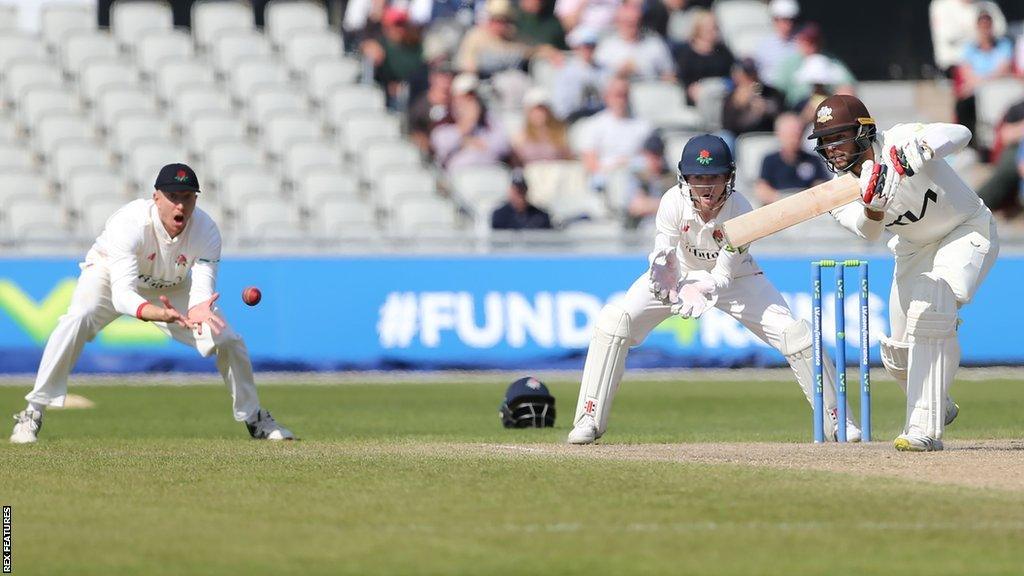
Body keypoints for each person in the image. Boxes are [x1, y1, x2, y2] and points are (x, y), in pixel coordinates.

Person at [567, 134, 861, 445]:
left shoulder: (741, 207)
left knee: (796, 334)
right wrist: (663, 274)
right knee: (614, 324)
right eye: (698, 178)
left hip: (736, 278)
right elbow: (664, 252)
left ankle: (838, 422)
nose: (706, 187)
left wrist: (712, 283)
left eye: (714, 177)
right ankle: (589, 417)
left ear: (729, 178)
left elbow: (724, 271)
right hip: (679, 275)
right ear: (685, 178)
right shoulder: (671, 202)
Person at [10, 164, 294, 444]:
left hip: (173, 288)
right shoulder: (129, 223)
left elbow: (201, 290)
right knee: (77, 317)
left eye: (187, 197)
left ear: (196, 199)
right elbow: (123, 295)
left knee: (229, 339)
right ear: (156, 197)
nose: (179, 206)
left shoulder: (207, 231)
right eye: (173, 197)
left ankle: (254, 418)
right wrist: (156, 313)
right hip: (109, 277)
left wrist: (198, 309)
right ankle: (32, 412)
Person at [809, 94, 998, 451]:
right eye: (826, 141)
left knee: (932, 306)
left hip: (966, 228)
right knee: (897, 353)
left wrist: (924, 147)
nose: (832, 149)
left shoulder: (900, 139)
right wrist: (873, 208)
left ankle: (922, 429)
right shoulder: (838, 191)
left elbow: (960, 133)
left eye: (839, 138)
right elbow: (868, 232)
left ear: (863, 133)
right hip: (913, 250)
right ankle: (939, 405)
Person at [580, 75, 652, 191]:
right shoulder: (593, 125)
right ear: (606, 96)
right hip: (605, 180)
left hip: (637, 178)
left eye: (624, 95)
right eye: (617, 95)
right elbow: (590, 163)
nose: (621, 100)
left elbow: (651, 160)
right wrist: (616, 166)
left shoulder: (643, 125)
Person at [953, 11, 1013, 149]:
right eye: (982, 26)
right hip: (977, 90)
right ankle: (969, 145)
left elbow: (1004, 70)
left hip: (998, 89)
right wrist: (981, 83)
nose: (985, 30)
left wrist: (981, 82)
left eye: (988, 25)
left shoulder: (1004, 45)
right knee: (964, 104)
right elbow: (966, 72)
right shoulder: (969, 48)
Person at [430, 73, 511, 171]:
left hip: (488, 171)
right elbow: (441, 144)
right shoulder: (445, 117)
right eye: (465, 96)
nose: (469, 100)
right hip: (456, 176)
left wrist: (474, 143)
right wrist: (467, 123)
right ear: (454, 98)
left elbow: (503, 145)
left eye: (472, 95)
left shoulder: (488, 119)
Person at [774, 23, 855, 109]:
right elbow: (778, 90)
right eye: (807, 42)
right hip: (796, 106)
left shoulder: (832, 61)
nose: (812, 47)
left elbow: (847, 84)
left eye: (814, 42)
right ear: (799, 41)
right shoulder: (790, 63)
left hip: (828, 104)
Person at [755, 112, 830, 204]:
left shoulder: (813, 160)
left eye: (798, 134)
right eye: (790, 135)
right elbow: (762, 189)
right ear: (780, 135)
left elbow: (821, 185)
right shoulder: (770, 160)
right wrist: (782, 200)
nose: (794, 139)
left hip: (808, 205)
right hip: (779, 205)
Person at [360, 6, 428, 108]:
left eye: (403, 25)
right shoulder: (380, 45)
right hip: (386, 96)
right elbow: (365, 46)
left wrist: (405, 85)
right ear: (386, 27)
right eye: (396, 25)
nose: (400, 29)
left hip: (412, 93)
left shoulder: (417, 46)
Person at [593, 2, 674, 82]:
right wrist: (619, 73)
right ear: (618, 21)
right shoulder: (606, 47)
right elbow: (596, 78)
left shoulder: (655, 44)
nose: (630, 26)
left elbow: (669, 75)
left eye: (634, 23)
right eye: (627, 22)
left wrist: (640, 70)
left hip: (648, 91)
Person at [673, 8, 734, 105]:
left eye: (714, 26)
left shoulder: (723, 51)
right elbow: (681, 79)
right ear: (698, 28)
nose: (711, 30)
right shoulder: (686, 53)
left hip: (721, 92)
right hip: (697, 96)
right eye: (707, 26)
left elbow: (732, 73)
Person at [930, 0, 1006, 74]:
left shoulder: (989, 5)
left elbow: (1001, 31)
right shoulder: (941, 6)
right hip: (955, 67)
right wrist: (981, 34)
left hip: (991, 67)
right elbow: (949, 36)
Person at [550, 28, 606, 122]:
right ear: (576, 48)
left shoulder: (604, 70)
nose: (588, 50)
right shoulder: (565, 72)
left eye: (591, 46)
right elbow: (561, 107)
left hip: (601, 117)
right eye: (584, 46)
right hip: (575, 118)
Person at [721, 58, 784, 139]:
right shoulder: (732, 97)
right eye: (746, 75)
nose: (751, 78)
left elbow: (782, 116)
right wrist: (737, 105)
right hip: (742, 137)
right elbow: (727, 126)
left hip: (769, 135)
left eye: (752, 74)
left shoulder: (771, 92)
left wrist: (766, 108)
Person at [512, 87, 573, 165]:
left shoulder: (561, 133)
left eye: (541, 110)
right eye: (534, 110)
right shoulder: (520, 136)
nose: (538, 114)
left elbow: (568, 159)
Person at [625, 132, 676, 227]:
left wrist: (648, 204)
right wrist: (665, 205)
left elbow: (678, 207)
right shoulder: (637, 176)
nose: (654, 159)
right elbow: (636, 206)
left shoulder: (671, 177)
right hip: (640, 229)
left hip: (667, 227)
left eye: (658, 155)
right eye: (651, 155)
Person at [755, 0, 800, 87]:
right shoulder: (764, 45)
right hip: (770, 92)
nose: (788, 24)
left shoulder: (802, 43)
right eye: (783, 20)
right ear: (774, 20)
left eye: (791, 20)